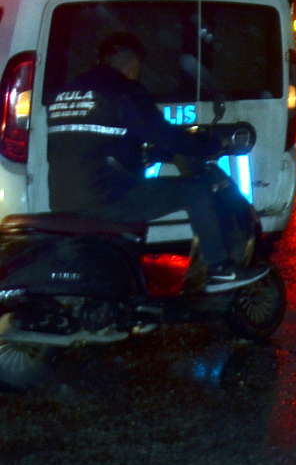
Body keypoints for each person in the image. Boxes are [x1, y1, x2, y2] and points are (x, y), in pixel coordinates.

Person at [43, 31, 265, 292]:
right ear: (134, 62)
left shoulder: (64, 94)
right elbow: (167, 137)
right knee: (196, 191)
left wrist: (150, 155)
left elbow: (91, 143)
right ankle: (219, 270)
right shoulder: (125, 91)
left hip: (62, 199)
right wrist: (215, 145)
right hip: (106, 199)